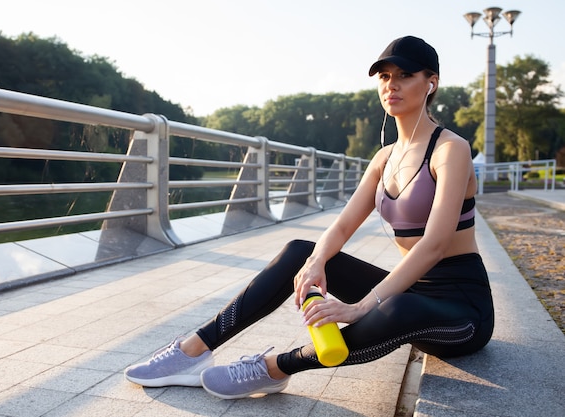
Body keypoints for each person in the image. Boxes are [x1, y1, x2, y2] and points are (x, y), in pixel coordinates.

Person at [124, 35, 494, 400]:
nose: (391, 85)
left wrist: (360, 307)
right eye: (384, 77)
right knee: (302, 250)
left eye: (404, 75)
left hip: (462, 312)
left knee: (396, 304)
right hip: (412, 289)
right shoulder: (384, 158)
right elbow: (344, 225)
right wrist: (316, 263)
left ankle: (273, 368)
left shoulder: (451, 149)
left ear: (431, 83)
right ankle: (194, 348)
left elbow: (434, 245)